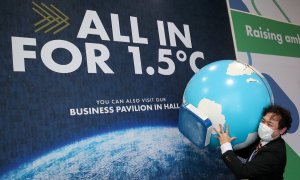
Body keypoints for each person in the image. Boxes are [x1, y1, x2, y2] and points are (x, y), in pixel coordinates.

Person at [214, 105, 292, 180]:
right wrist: (229, 143)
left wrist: (225, 145)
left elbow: (243, 172)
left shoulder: (275, 153)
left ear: (282, 130)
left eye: (270, 124)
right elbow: (247, 152)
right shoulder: (264, 138)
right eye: (263, 121)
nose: (264, 126)